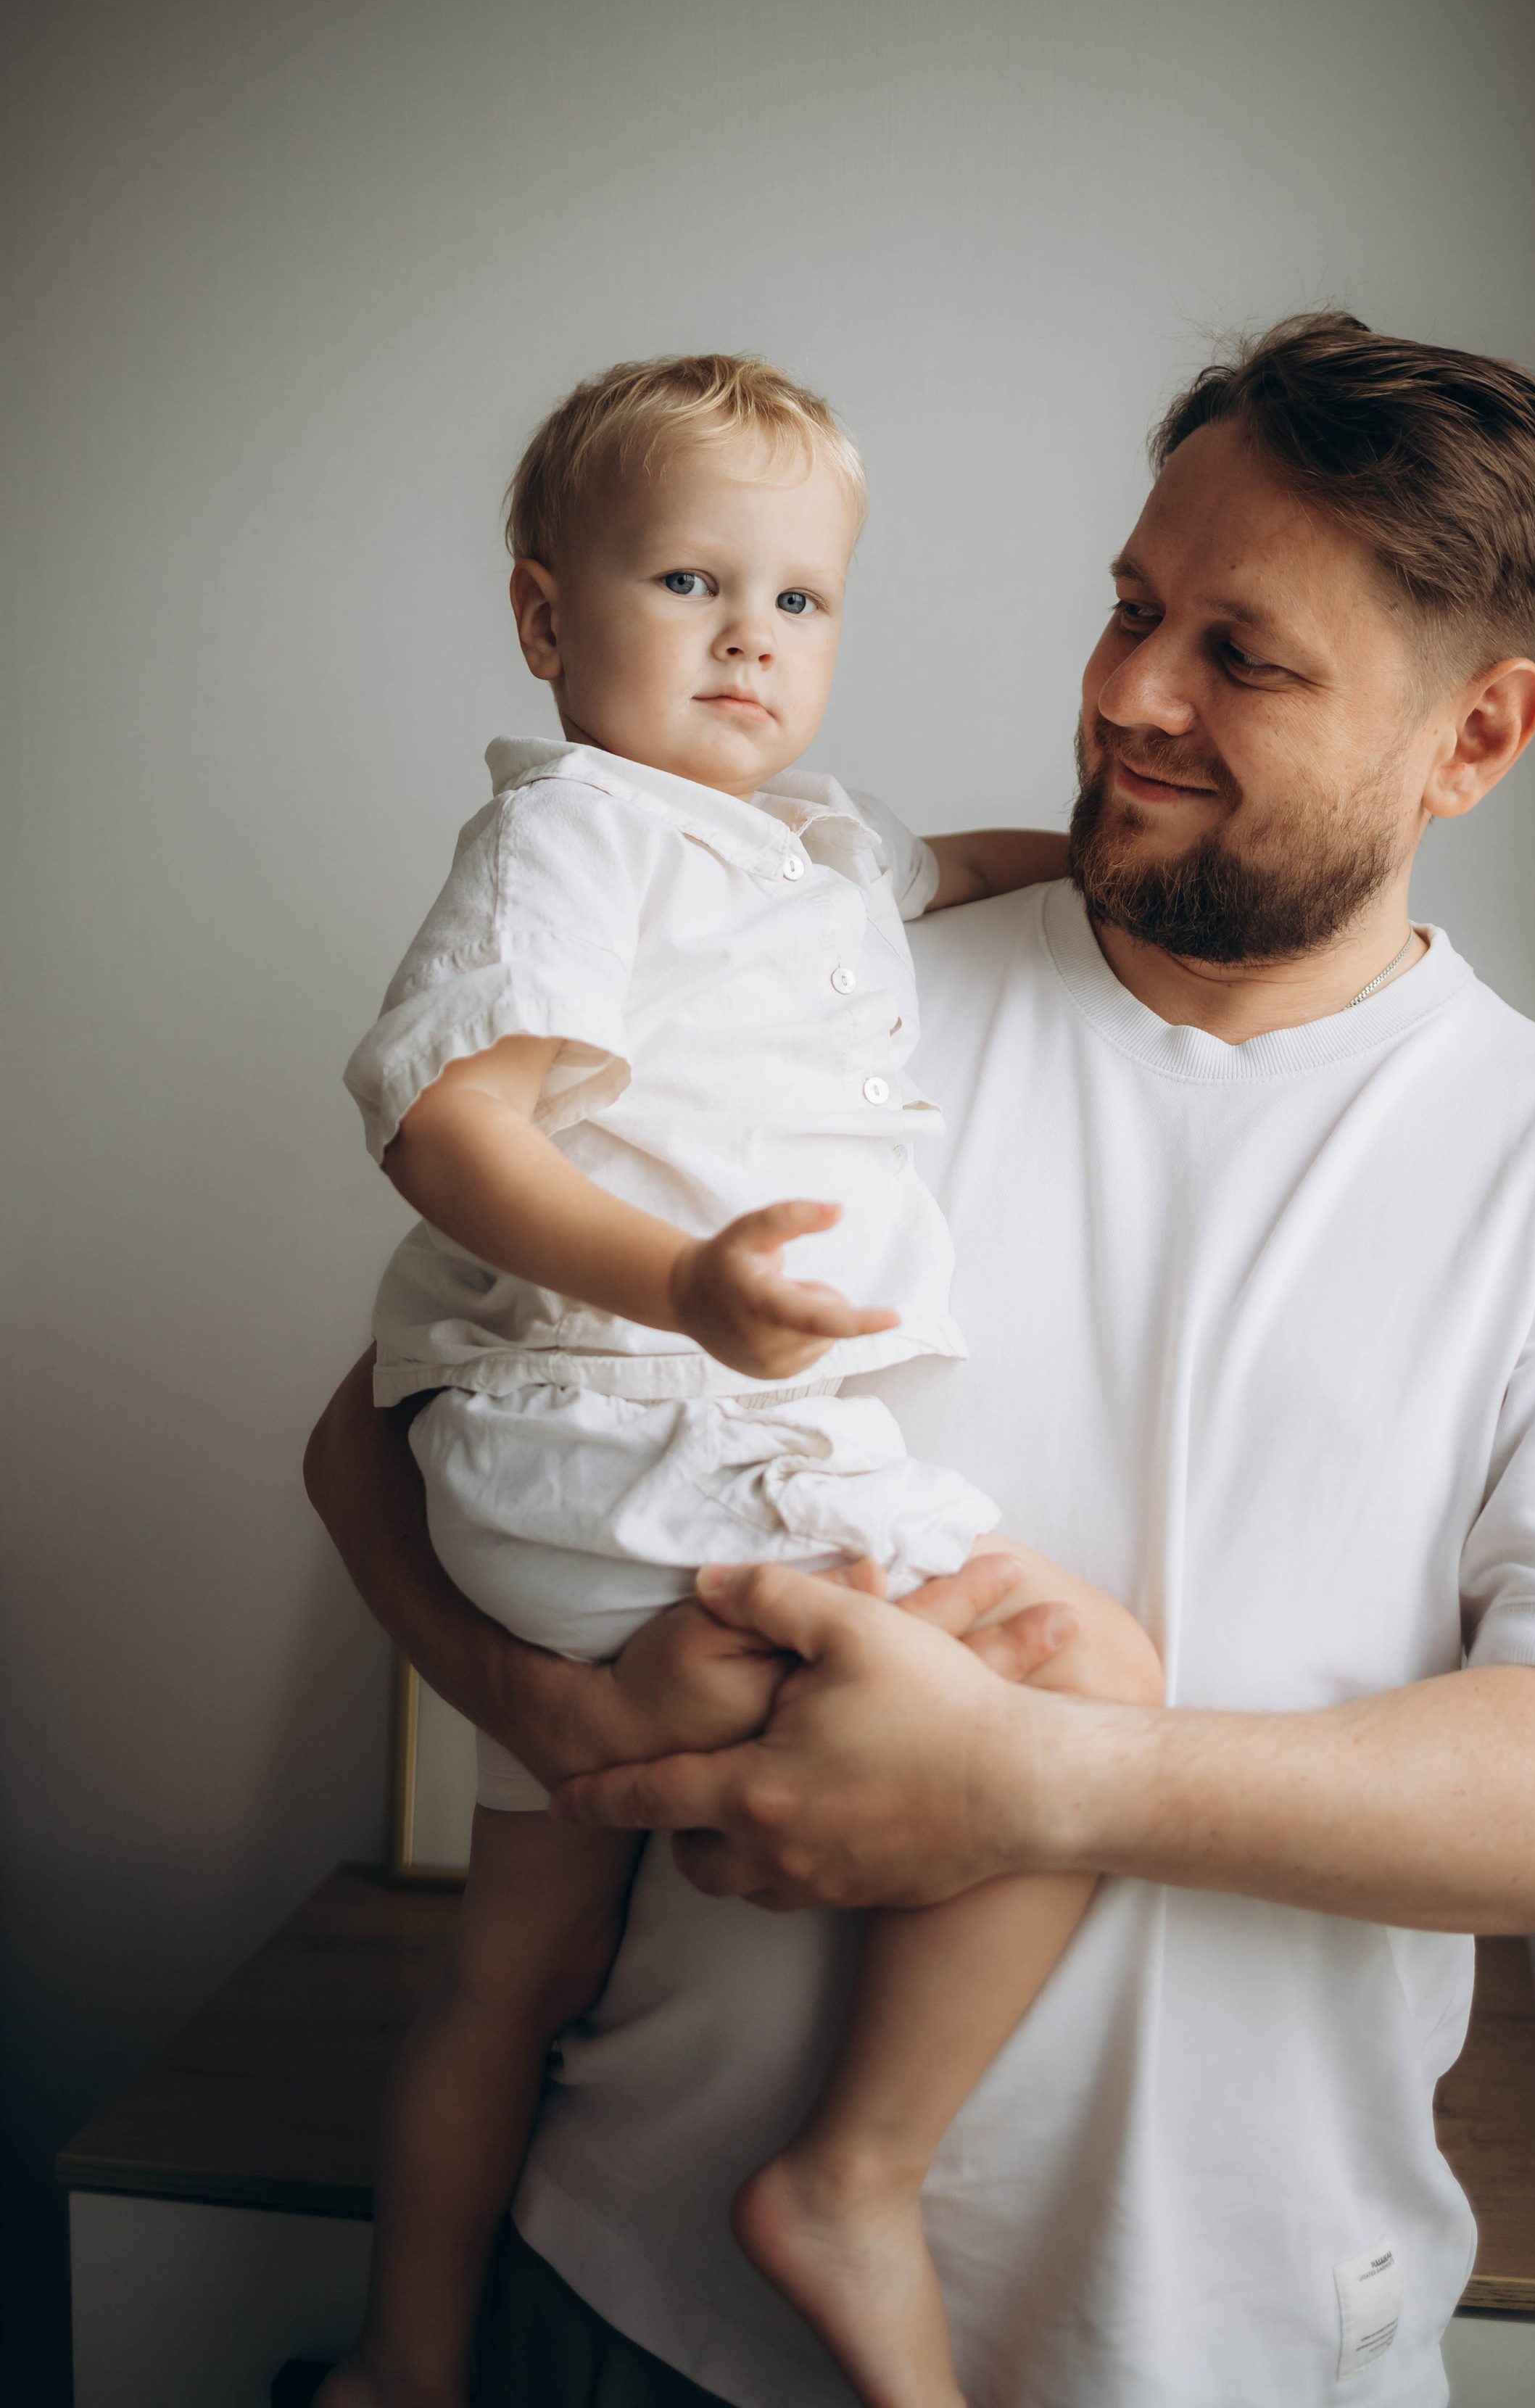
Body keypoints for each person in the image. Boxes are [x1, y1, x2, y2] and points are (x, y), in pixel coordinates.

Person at [307, 314, 1535, 2408]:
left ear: (1475, 739)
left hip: (1231, 2344)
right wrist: (569, 1718)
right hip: (638, 2307)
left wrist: (1031, 1781)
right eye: (1133, 608)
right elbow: (376, 1445)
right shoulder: (821, 975)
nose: (1129, 695)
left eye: (1242, 657)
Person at [318, 353, 1162, 2408]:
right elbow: (443, 1120)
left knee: (509, 1977)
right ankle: (855, 2181)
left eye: (798, 602)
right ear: (545, 618)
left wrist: (1093, 857)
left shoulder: (801, 840)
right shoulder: (578, 838)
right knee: (1087, 1676)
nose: (748, 640)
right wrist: (682, 1282)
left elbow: (941, 869)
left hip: (596, 1463)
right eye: (690, 581)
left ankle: (400, 2374)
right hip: (620, 1419)